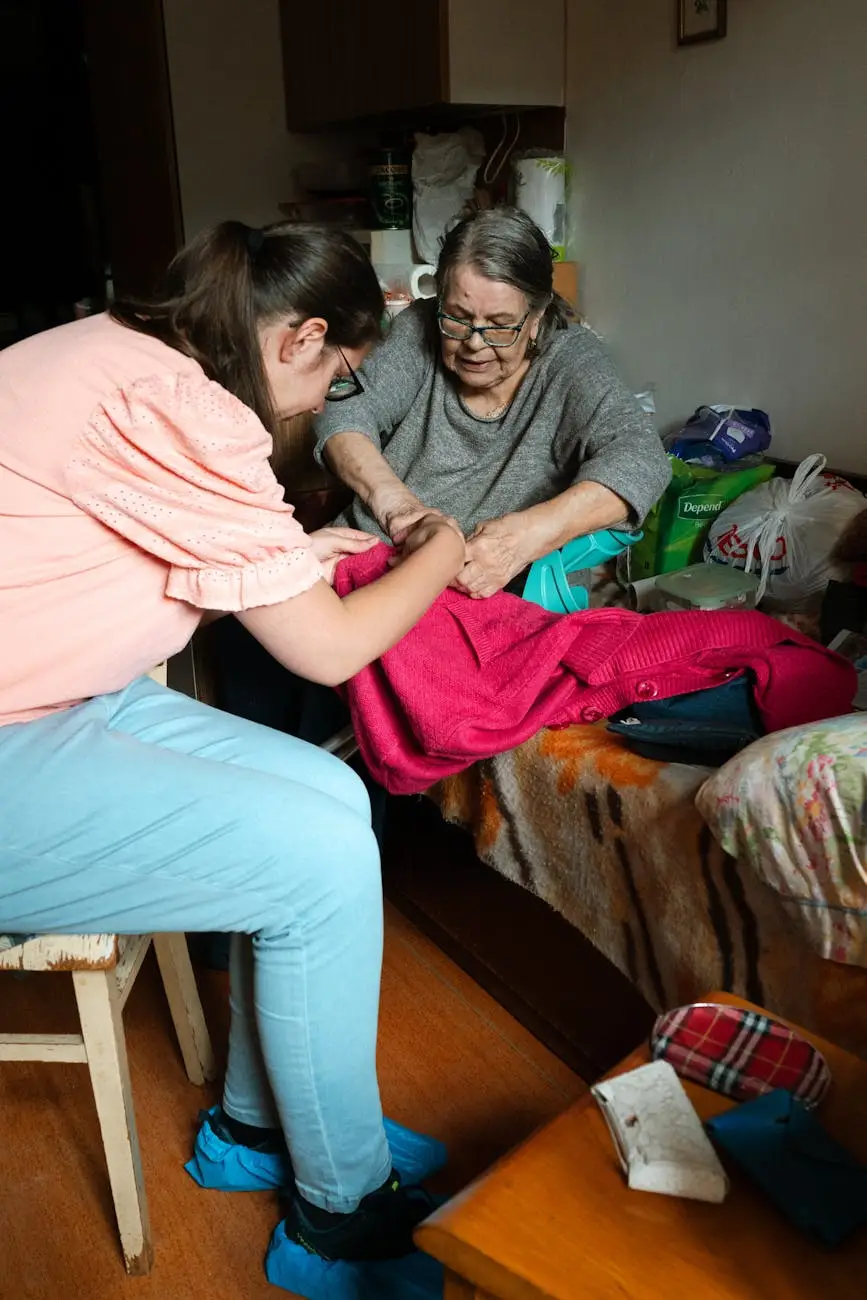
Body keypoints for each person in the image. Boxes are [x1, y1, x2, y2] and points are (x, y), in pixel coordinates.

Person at [0, 220, 467, 1285]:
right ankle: (338, 1214)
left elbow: (101, 545)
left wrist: (280, 559)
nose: (322, 404)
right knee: (316, 859)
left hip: (45, 689)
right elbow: (331, 648)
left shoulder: (113, 346)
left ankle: (257, 1130)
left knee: (330, 795)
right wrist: (438, 550)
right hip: (17, 730)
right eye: (337, 376)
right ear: (301, 337)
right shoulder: (193, 413)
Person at [315, 206, 671, 599]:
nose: (474, 342)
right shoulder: (418, 328)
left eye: (500, 325)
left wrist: (528, 536)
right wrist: (395, 505)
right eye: (457, 317)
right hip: (372, 565)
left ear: (536, 317)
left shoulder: (570, 362)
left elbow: (641, 459)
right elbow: (344, 406)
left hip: (491, 595)